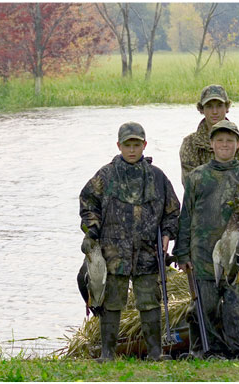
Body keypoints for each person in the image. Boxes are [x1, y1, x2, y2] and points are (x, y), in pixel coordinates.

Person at [79, 121, 180, 362]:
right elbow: (87, 203)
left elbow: (173, 211)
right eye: (127, 145)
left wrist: (167, 234)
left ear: (144, 145)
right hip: (114, 251)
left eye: (137, 145)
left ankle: (155, 353)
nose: (132, 150)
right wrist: (92, 231)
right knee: (111, 303)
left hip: (148, 251)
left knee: (149, 302)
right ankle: (107, 354)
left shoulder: (157, 176)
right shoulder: (106, 174)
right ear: (119, 145)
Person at [172, 120, 239, 360]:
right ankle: (211, 351)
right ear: (211, 145)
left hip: (237, 258)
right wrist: (182, 253)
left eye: (229, 140)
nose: (224, 144)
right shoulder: (196, 178)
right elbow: (186, 217)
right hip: (203, 256)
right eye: (219, 140)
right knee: (206, 307)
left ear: (238, 144)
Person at [179, 84, 239, 184]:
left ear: (227, 108)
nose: (215, 112)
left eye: (219, 106)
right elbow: (191, 183)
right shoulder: (190, 143)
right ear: (201, 109)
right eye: (209, 107)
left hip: (237, 199)